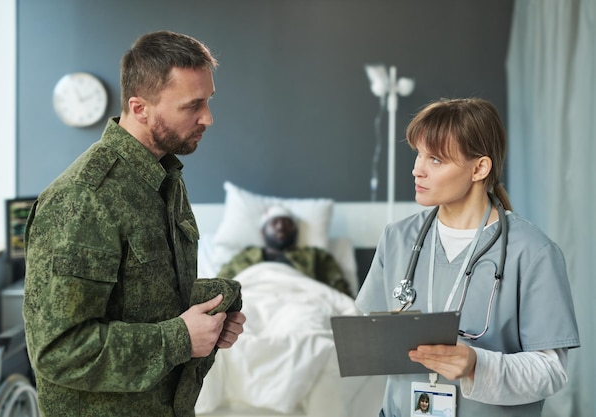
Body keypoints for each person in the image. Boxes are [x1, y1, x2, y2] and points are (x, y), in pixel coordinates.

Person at [22, 31, 245, 417]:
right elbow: (58, 351)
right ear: (140, 108)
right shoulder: (82, 198)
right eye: (193, 105)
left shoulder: (165, 179)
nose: (207, 117)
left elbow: (151, 301)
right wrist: (179, 337)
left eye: (208, 101)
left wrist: (206, 326)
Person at [355, 98, 580, 416]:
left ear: (479, 168)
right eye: (419, 154)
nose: (417, 169)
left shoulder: (533, 253)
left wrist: (477, 364)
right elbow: (370, 333)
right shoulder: (396, 238)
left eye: (435, 159)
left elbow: (551, 371)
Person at [218, 205, 352, 296]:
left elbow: (340, 291)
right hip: (253, 298)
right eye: (274, 222)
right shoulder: (244, 257)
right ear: (263, 231)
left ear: (296, 230)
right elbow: (220, 286)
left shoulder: (315, 256)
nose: (281, 226)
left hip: (303, 301)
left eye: (287, 223)